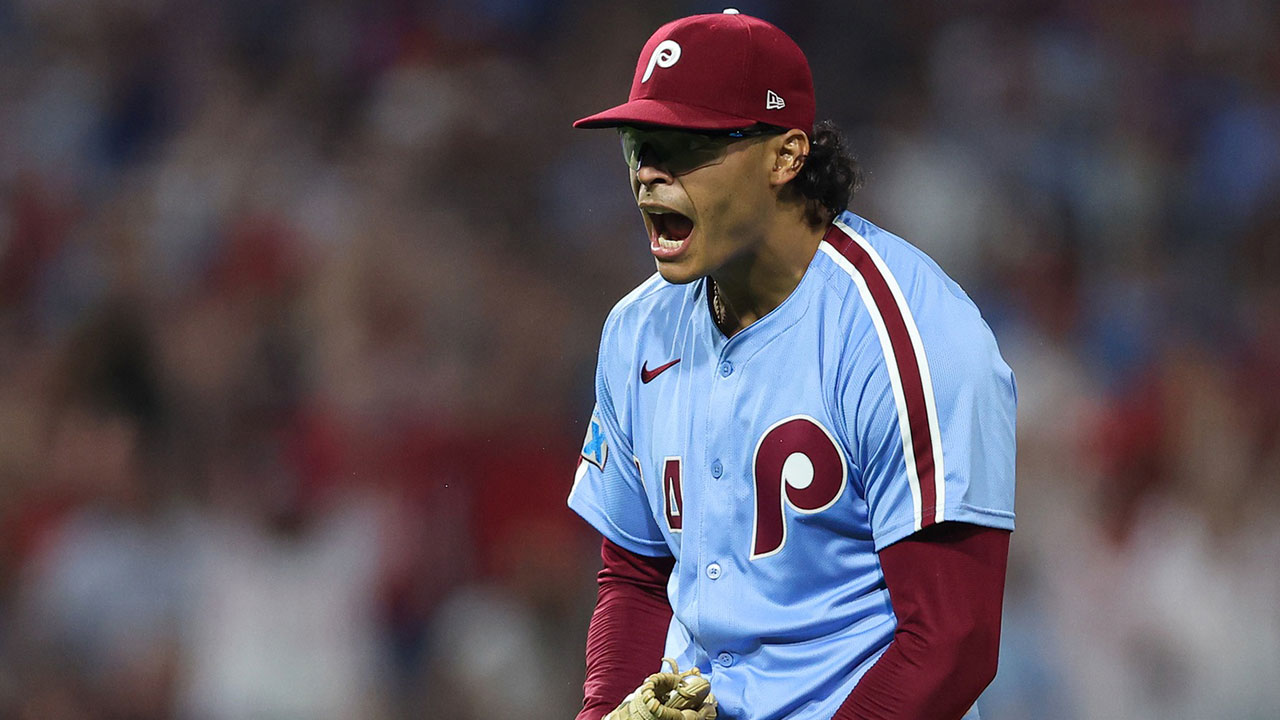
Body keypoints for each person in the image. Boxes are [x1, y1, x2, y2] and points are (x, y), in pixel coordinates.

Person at [567, 10, 1016, 720]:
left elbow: (951, 641)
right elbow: (635, 575)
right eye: (639, 143)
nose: (650, 173)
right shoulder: (636, 331)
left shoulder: (908, 333)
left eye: (687, 145)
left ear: (786, 155)